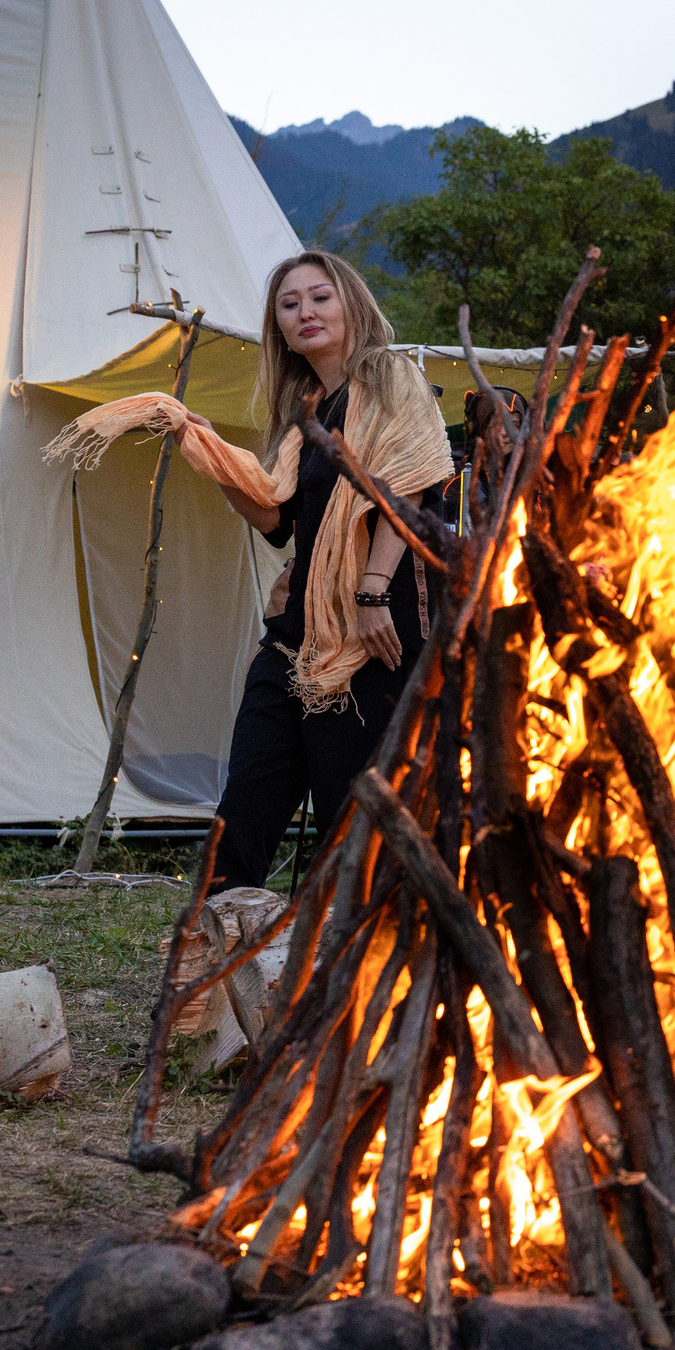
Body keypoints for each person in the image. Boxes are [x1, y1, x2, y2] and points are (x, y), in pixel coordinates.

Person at [199, 251, 455, 890]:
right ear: (278, 326)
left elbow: (411, 487)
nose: (305, 312)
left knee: (351, 814)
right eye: (290, 304)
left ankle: (364, 965)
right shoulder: (306, 412)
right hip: (301, 627)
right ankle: (210, 965)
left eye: (320, 297)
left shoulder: (393, 380)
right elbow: (277, 521)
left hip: (378, 626)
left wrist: (371, 592)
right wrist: (213, 457)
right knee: (247, 801)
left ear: (351, 305)